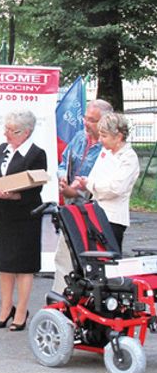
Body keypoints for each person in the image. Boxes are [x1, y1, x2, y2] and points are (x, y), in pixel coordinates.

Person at [0, 110, 47, 331]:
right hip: (4, 214)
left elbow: (36, 187)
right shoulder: (2, 150)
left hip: (26, 215)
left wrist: (14, 195)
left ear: (26, 132)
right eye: (6, 129)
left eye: (12, 131)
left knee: (23, 266)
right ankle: (6, 308)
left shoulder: (37, 154)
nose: (7, 135)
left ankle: (21, 310)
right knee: (4, 264)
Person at [52, 99, 113, 293]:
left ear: (105, 121)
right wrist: (63, 179)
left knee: (93, 261)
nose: (86, 123)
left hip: (95, 212)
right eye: (85, 118)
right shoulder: (79, 137)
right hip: (71, 208)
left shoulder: (109, 148)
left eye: (92, 120)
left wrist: (78, 191)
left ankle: (91, 305)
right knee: (63, 257)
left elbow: (106, 183)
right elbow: (62, 164)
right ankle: (60, 301)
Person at [73, 112, 140, 250]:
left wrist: (90, 185)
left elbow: (116, 189)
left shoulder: (129, 158)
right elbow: (94, 176)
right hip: (95, 211)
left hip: (113, 218)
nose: (101, 140)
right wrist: (84, 182)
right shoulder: (106, 152)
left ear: (119, 137)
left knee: (110, 259)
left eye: (104, 136)